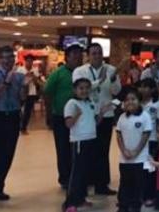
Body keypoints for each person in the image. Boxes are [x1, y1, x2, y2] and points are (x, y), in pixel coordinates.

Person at [72, 42, 122, 195]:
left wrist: (112, 80)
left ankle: (102, 184)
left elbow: (116, 91)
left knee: (102, 151)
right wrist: (98, 81)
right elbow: (80, 90)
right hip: (87, 115)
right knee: (87, 151)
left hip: (105, 115)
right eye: (93, 53)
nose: (97, 56)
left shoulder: (111, 69)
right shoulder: (80, 71)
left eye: (99, 53)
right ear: (88, 56)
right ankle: (85, 183)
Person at [0, 45, 27, 206]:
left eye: (11, 57)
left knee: (7, 155)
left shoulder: (19, 77)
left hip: (13, 117)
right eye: (4, 57)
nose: (8, 60)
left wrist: (24, 87)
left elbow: (21, 98)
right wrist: (6, 83)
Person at [63, 78, 111, 212]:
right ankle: (70, 203)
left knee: (86, 172)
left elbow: (95, 122)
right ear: (75, 90)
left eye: (86, 88)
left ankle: (81, 199)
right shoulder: (71, 103)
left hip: (92, 139)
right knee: (77, 173)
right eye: (81, 88)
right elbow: (68, 124)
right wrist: (77, 115)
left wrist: (101, 112)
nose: (84, 91)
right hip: (79, 141)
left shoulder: (90, 102)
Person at [45, 45, 84, 189]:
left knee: (79, 149)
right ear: (67, 57)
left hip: (80, 118)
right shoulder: (58, 73)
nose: (78, 58)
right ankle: (65, 178)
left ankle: (78, 176)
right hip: (61, 117)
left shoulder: (83, 73)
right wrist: (49, 115)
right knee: (63, 149)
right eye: (74, 55)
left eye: (80, 55)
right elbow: (47, 93)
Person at [116, 88, 152, 212]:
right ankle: (123, 206)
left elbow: (145, 136)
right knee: (124, 183)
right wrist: (124, 150)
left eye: (133, 99)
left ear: (139, 101)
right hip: (124, 158)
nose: (130, 102)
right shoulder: (122, 117)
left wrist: (136, 151)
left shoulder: (145, 116)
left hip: (140, 159)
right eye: (126, 100)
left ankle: (135, 206)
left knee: (138, 184)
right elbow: (119, 135)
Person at [139, 78, 159, 208]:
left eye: (147, 87)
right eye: (142, 86)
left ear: (152, 90)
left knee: (150, 170)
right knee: (139, 169)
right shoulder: (137, 104)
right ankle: (140, 194)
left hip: (152, 141)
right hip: (138, 140)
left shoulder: (156, 105)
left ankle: (150, 195)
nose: (143, 89)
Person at [17, 54, 45, 134]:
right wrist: (25, 76)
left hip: (31, 93)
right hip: (21, 92)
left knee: (28, 111)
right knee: (18, 109)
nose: (29, 63)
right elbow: (17, 81)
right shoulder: (20, 70)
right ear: (25, 61)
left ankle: (24, 128)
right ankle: (18, 125)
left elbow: (38, 83)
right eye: (28, 61)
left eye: (31, 61)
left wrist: (34, 77)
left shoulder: (35, 70)